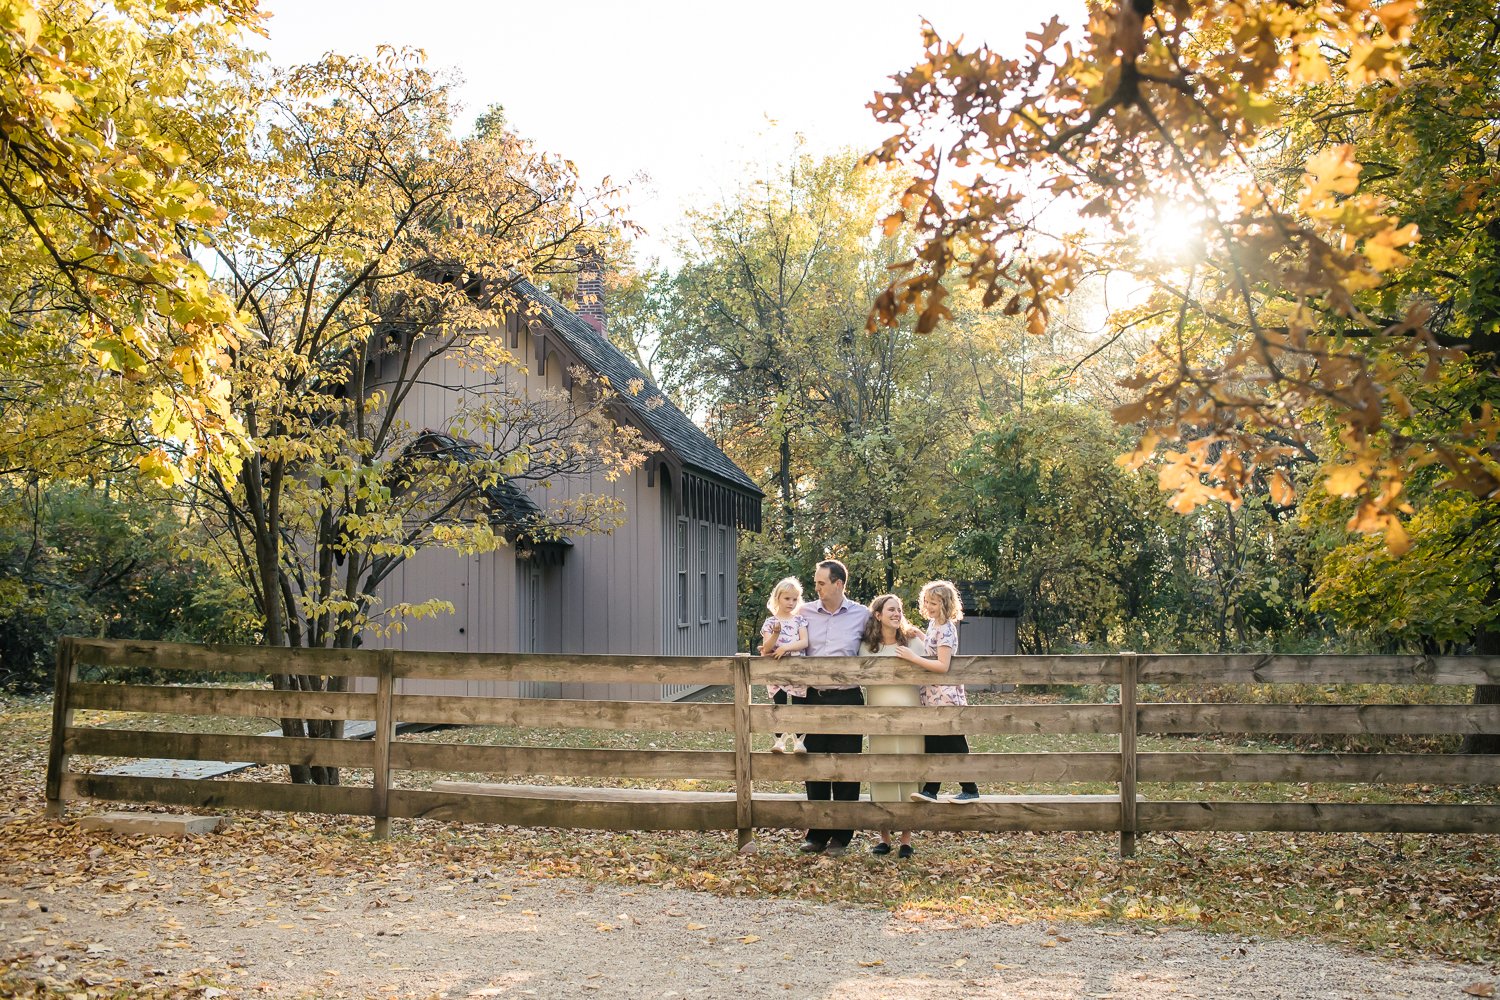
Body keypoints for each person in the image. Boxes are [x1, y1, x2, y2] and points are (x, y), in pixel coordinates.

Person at [795, 558, 869, 857]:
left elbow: (887, 635)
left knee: (846, 767)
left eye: (821, 583)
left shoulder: (862, 615)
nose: (817, 588)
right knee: (814, 766)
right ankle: (817, 833)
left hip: (847, 698)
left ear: (839, 584)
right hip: (813, 698)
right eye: (816, 583)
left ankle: (842, 835)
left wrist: (913, 634)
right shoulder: (805, 612)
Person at [893, 579, 981, 804]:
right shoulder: (934, 626)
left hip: (945, 695)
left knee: (953, 742)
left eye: (935, 603)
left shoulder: (947, 630)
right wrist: (919, 635)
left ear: (947, 604)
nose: (930, 606)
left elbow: (942, 665)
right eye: (927, 602)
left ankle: (970, 789)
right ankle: (931, 790)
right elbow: (933, 648)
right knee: (933, 740)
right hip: (932, 694)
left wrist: (914, 657)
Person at [860, 594, 924, 859]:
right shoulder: (867, 647)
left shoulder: (912, 641)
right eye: (890, 609)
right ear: (878, 615)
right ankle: (884, 836)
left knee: (910, 770)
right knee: (882, 770)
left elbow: (938, 658)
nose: (896, 613)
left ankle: (907, 838)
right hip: (879, 718)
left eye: (899, 609)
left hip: (911, 716)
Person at [759, 576, 810, 753]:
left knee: (798, 705)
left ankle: (799, 741)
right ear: (778, 598)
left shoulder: (799, 620)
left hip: (796, 670)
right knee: (778, 704)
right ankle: (779, 740)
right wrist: (775, 634)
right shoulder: (770, 622)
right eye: (787, 598)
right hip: (776, 671)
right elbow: (767, 647)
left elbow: (804, 642)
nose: (791, 602)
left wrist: (786, 647)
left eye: (795, 599)